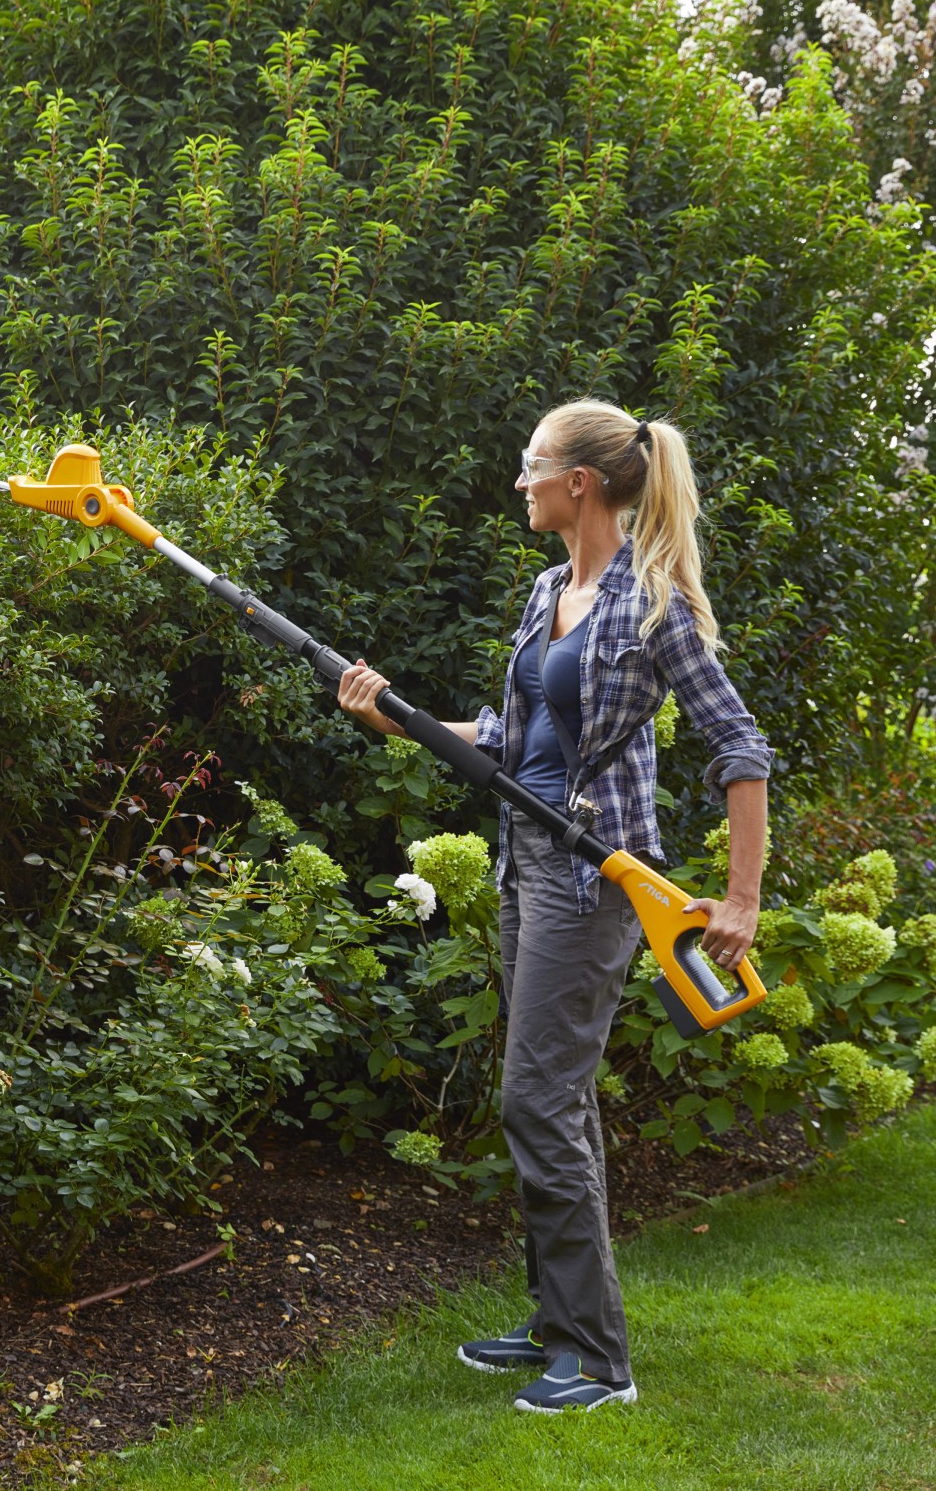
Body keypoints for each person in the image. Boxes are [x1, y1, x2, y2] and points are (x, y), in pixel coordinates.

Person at [336, 398, 773, 1413]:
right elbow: (506, 742)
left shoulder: (653, 605)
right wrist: (391, 715)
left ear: (580, 482)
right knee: (553, 1101)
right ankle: (556, 1325)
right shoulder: (547, 594)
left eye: (531, 465)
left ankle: (599, 1360)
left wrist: (740, 899)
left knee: (536, 1099)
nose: (519, 481)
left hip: (595, 879)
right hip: (524, 865)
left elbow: (740, 746)